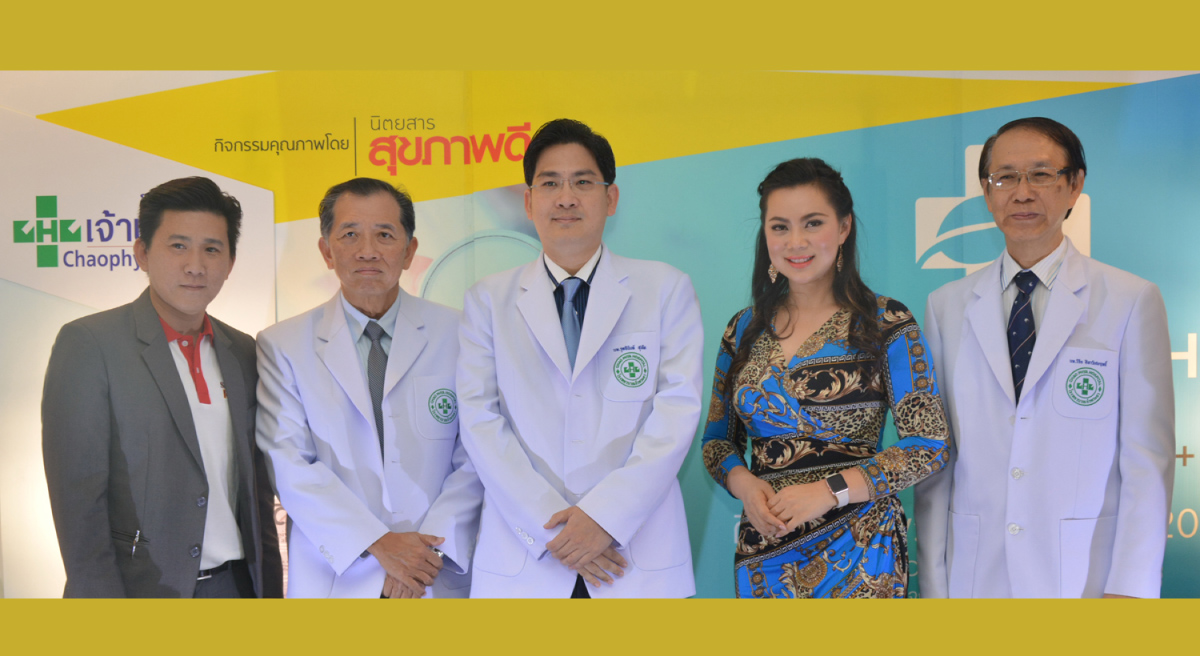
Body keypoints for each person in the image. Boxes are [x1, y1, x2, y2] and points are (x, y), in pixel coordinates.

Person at [915, 117, 1175, 598]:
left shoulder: (1129, 300)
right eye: (1005, 177)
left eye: (1041, 175)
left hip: (1083, 576)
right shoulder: (945, 306)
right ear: (986, 191)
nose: (1022, 193)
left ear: (1074, 185)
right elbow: (938, 462)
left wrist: (1132, 589)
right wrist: (934, 584)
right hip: (976, 576)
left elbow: (1147, 460)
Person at [456, 119, 704, 598]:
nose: (566, 198)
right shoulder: (487, 300)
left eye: (583, 182)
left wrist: (605, 519)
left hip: (634, 555)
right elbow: (480, 421)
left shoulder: (665, 288)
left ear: (611, 198)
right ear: (528, 202)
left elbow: (677, 412)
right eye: (550, 183)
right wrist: (560, 533)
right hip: (526, 559)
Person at [701, 158, 950, 598]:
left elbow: (929, 445)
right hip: (766, 549)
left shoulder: (886, 322)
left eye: (812, 223)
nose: (795, 242)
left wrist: (830, 491)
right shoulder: (742, 329)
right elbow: (717, 443)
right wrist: (746, 486)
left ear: (844, 227)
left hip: (861, 549)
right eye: (780, 227)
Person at [42, 176, 282, 598]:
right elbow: (79, 504)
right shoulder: (90, 344)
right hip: (143, 592)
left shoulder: (243, 349)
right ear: (142, 253)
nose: (196, 265)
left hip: (238, 589)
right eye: (178, 246)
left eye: (212, 249)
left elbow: (258, 495)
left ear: (230, 262)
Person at [256, 178, 482, 598]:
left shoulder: (460, 333)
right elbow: (289, 464)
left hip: (435, 573)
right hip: (337, 577)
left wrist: (422, 557)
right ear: (326, 251)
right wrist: (381, 546)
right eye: (349, 235)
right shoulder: (283, 345)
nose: (367, 251)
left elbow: (475, 456)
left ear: (410, 251)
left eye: (384, 235)